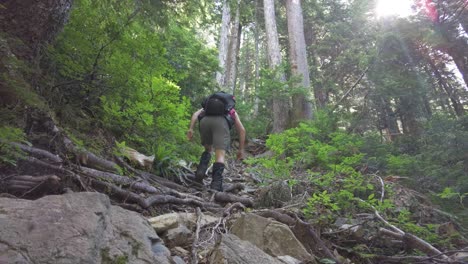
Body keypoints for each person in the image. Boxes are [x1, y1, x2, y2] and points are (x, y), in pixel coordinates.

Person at [187, 96, 246, 192]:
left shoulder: (206, 108)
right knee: (220, 156)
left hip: (204, 122)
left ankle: (200, 172)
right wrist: (241, 149)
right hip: (221, 124)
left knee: (208, 149)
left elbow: (195, 115)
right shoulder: (231, 110)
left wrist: (191, 129)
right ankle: (216, 185)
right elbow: (242, 130)